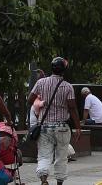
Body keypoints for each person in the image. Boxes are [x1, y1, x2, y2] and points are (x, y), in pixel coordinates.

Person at [27, 57, 81, 185]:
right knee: (61, 157)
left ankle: (44, 179)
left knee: (44, 156)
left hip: (44, 127)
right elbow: (72, 108)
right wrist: (78, 127)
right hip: (62, 127)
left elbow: (29, 100)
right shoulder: (68, 87)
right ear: (64, 70)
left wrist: (41, 104)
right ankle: (59, 183)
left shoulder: (41, 83)